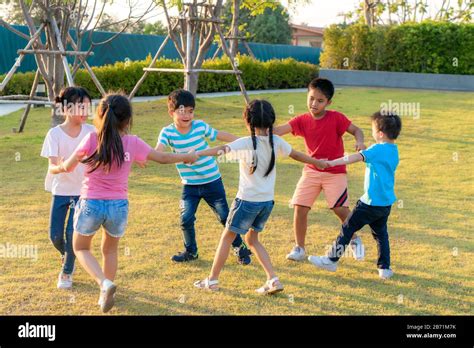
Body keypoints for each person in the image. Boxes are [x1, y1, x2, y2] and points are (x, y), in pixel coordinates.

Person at [53, 93, 198, 312]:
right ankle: (105, 290)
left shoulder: (92, 138)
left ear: (100, 116)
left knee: (80, 247)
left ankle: (104, 283)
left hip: (91, 203)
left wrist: (58, 166)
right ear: (127, 120)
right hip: (118, 206)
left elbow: (68, 166)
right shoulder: (132, 142)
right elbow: (163, 158)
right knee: (109, 251)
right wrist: (186, 156)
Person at [193, 100, 327, 294]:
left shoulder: (245, 142)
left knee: (227, 238)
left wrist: (197, 153)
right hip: (266, 202)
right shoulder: (277, 141)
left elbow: (219, 151)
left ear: (247, 122)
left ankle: (212, 280)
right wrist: (318, 162)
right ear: (272, 121)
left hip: (246, 201)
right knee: (252, 239)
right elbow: (297, 155)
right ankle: (273, 279)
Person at [274, 78, 367, 262]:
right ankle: (299, 248)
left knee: (340, 209)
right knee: (300, 207)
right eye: (311, 98)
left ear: (329, 102)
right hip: (311, 171)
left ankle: (355, 240)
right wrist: (261, 125)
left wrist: (360, 141)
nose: (314, 104)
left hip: (335, 171)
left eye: (320, 100)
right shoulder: (301, 120)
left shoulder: (337, 118)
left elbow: (357, 130)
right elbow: (278, 131)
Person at [156, 89, 252, 264]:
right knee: (185, 219)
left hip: (212, 181)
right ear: (172, 112)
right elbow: (158, 153)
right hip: (189, 185)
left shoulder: (200, 126)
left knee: (225, 218)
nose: (187, 115)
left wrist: (242, 142)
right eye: (182, 111)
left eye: (191, 111)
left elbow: (219, 135)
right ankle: (191, 252)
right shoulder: (167, 133)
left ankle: (240, 249)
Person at [308, 111, 401, 280]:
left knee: (347, 228)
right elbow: (375, 158)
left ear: (380, 134)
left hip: (369, 203)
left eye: (373, 130)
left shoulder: (376, 149)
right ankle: (384, 268)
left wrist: (331, 163)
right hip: (385, 204)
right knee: (381, 234)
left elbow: (351, 159)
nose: (372, 133)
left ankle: (331, 259)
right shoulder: (393, 150)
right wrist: (367, 151)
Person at [40, 86, 95, 289]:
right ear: (65, 108)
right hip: (61, 191)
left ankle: (67, 271)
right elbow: (52, 167)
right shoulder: (54, 134)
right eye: (80, 106)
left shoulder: (92, 132)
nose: (84, 111)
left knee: (73, 233)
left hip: (84, 192)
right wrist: (62, 166)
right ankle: (67, 254)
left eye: (87, 107)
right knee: (55, 235)